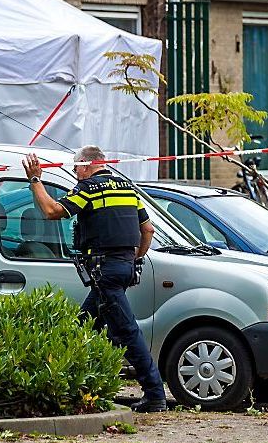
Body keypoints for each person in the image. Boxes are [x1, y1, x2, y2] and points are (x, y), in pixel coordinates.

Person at [23, 146, 167, 413]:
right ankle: (70, 384)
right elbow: (147, 229)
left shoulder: (89, 188)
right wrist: (135, 256)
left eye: (75, 167)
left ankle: (155, 394)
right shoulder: (126, 187)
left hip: (105, 272)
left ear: (86, 165)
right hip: (123, 268)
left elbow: (52, 212)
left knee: (128, 332)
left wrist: (35, 180)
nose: (74, 172)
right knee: (84, 326)